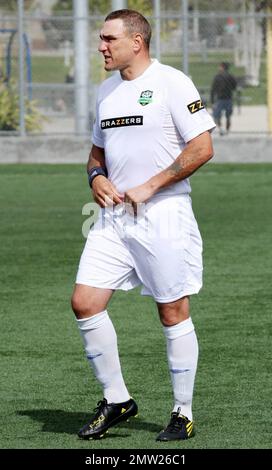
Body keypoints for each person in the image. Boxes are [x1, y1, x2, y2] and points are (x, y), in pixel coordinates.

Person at [71, 9, 215, 442]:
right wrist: (97, 178)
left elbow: (203, 146)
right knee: (84, 302)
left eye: (109, 39)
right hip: (113, 218)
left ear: (137, 41)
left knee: (172, 310)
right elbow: (97, 153)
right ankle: (118, 400)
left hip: (164, 214)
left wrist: (151, 186)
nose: (102, 46)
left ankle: (182, 412)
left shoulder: (172, 83)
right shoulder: (106, 91)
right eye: (100, 38)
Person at [211, 61, 237, 135]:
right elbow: (234, 86)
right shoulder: (231, 76)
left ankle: (221, 129)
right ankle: (227, 130)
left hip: (220, 99)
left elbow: (213, 89)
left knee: (217, 115)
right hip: (228, 98)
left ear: (222, 67)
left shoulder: (217, 77)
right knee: (228, 116)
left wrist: (212, 101)